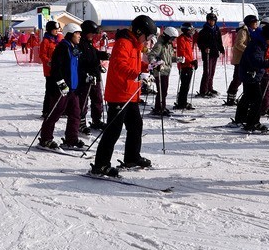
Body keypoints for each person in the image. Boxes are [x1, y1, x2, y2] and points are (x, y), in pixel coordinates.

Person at [91, 15, 157, 177]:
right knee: (113, 130)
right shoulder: (123, 43)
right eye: (147, 36)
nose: (147, 40)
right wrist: (137, 74)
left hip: (131, 93)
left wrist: (149, 67)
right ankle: (101, 164)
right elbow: (120, 65)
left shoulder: (135, 45)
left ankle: (132, 157)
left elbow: (135, 64)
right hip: (119, 93)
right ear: (139, 31)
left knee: (136, 125)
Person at [38, 24, 85, 149]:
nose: (79, 36)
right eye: (77, 33)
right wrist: (61, 83)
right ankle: (45, 139)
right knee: (55, 113)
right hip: (62, 89)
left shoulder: (74, 47)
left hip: (73, 88)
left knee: (75, 114)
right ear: (70, 34)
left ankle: (71, 139)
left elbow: (77, 66)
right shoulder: (62, 47)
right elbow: (56, 68)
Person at [235, 17, 269, 131]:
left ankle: (241, 118)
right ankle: (253, 123)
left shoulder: (260, 42)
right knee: (257, 99)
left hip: (250, 73)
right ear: (268, 36)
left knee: (248, 97)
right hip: (250, 74)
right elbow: (255, 61)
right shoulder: (258, 45)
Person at [224, 14, 259, 106]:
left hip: (246, 60)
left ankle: (242, 98)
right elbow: (238, 44)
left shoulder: (251, 31)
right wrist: (249, 50)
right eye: (255, 22)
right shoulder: (243, 31)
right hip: (240, 60)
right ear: (250, 23)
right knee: (237, 79)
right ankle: (231, 98)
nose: (256, 23)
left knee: (245, 79)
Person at [147, 26, 178, 117]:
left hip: (166, 71)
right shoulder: (159, 45)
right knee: (162, 90)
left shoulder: (168, 45)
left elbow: (169, 58)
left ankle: (162, 107)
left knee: (164, 91)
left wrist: (177, 59)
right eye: (172, 38)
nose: (173, 40)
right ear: (167, 36)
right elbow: (151, 55)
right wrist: (155, 63)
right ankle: (158, 108)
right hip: (160, 71)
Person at [195, 12, 223, 97]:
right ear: (207, 21)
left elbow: (219, 41)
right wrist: (204, 48)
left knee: (212, 72)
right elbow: (199, 42)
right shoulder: (204, 31)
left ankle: (210, 88)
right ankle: (204, 90)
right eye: (210, 20)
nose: (212, 22)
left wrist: (221, 48)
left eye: (213, 20)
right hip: (207, 54)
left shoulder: (217, 30)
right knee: (207, 72)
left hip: (214, 53)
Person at [39, 20, 63, 118]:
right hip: (50, 71)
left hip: (60, 69)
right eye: (55, 29)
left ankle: (61, 109)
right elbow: (42, 55)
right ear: (50, 30)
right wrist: (48, 61)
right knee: (50, 91)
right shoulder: (46, 41)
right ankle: (46, 111)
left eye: (57, 29)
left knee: (62, 89)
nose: (57, 31)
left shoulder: (59, 40)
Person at [173, 22, 197, 110]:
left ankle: (183, 101)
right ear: (186, 30)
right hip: (184, 66)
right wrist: (191, 61)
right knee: (184, 85)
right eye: (190, 30)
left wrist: (193, 62)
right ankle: (181, 103)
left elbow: (188, 53)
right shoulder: (181, 39)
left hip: (189, 65)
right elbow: (182, 53)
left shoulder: (188, 39)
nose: (191, 32)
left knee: (187, 85)